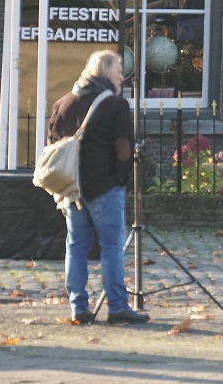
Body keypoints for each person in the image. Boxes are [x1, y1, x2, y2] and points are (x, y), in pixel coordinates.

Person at [47, 49, 149, 325]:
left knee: (76, 247)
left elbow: (52, 142)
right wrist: (120, 179)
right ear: (105, 71)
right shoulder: (115, 105)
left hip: (72, 189)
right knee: (112, 247)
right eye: (118, 70)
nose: (122, 77)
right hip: (105, 187)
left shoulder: (63, 104)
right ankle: (117, 307)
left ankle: (78, 308)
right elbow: (124, 148)